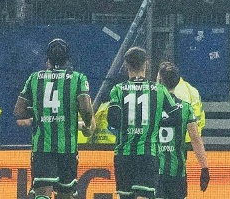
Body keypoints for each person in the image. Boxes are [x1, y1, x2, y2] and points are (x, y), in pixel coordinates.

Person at [15, 38, 93, 199]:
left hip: (42, 146)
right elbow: (85, 108)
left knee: (42, 191)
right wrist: (87, 124)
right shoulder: (78, 78)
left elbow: (18, 111)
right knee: (65, 193)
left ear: (48, 59)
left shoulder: (34, 78)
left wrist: (39, 113)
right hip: (67, 147)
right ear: (68, 58)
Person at [104, 48, 177, 199]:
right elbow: (175, 117)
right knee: (144, 196)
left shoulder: (118, 89)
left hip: (123, 154)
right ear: (146, 65)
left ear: (126, 66)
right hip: (148, 154)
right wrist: (155, 121)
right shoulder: (159, 89)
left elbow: (113, 120)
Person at [157, 62, 211, 198]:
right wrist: (204, 168)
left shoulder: (151, 105)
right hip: (177, 169)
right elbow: (195, 139)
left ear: (159, 80)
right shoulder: (185, 106)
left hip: (154, 169)